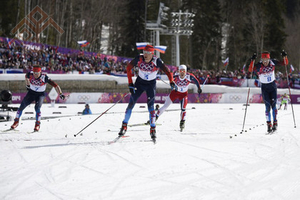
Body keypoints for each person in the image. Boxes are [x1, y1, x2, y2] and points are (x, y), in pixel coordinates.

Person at [118, 44, 174, 141]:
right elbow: (128, 68)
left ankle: (152, 129)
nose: (145, 55)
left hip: (150, 85)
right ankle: (124, 126)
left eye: (148, 53)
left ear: (152, 54)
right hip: (139, 83)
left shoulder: (157, 61)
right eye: (144, 52)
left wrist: (171, 81)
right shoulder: (139, 58)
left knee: (151, 107)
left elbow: (168, 71)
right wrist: (130, 83)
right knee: (131, 104)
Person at [10, 65, 65, 132]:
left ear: (40, 72)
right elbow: (26, 77)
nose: (35, 75)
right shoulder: (30, 74)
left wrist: (61, 93)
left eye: (37, 73)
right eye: (34, 73)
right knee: (21, 107)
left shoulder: (44, 77)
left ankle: (37, 124)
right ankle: (16, 122)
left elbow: (56, 85)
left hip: (40, 94)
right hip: (31, 93)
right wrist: (27, 85)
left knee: (37, 108)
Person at [248, 51, 288, 133]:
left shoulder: (273, 62)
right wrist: (252, 60)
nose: (265, 62)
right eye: (263, 60)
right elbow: (250, 69)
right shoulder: (259, 65)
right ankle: (269, 124)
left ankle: (275, 122)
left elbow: (285, 63)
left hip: (272, 87)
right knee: (267, 107)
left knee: (273, 106)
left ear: (269, 59)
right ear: (262, 60)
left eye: (266, 60)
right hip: (264, 88)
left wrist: (285, 57)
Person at [155, 64, 202, 131]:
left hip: (183, 94)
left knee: (183, 108)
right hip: (175, 93)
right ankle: (155, 118)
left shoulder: (189, 76)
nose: (182, 72)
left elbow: (196, 81)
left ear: (186, 71)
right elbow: (169, 77)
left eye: (183, 71)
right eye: (181, 71)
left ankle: (182, 122)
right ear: (178, 71)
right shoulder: (176, 76)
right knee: (165, 106)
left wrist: (199, 88)